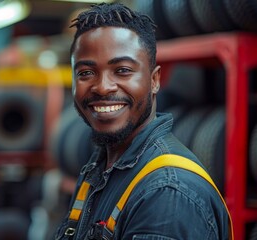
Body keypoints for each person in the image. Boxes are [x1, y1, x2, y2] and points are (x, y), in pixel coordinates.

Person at [55, 2, 232, 240]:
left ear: (155, 80)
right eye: (86, 72)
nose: (103, 87)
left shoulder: (168, 194)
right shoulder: (100, 169)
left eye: (123, 70)